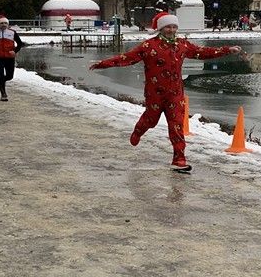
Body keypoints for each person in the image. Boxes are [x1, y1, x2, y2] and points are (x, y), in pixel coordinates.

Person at [89, 13, 242, 173]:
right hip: (154, 93)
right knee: (151, 120)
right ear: (161, 28)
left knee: (176, 125)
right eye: (168, 27)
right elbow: (127, 58)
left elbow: (203, 52)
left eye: (174, 27)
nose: (171, 30)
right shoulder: (149, 46)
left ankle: (179, 159)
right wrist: (102, 64)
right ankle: (138, 130)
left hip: (175, 94)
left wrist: (227, 50)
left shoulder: (182, 45)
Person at [0, 17, 26, 101]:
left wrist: (15, 51)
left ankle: (1, 81)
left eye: (5, 23)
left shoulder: (12, 32)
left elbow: (20, 43)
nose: (4, 25)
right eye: (1, 23)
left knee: (10, 76)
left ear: (8, 24)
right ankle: (3, 94)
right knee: (0, 74)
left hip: (10, 58)